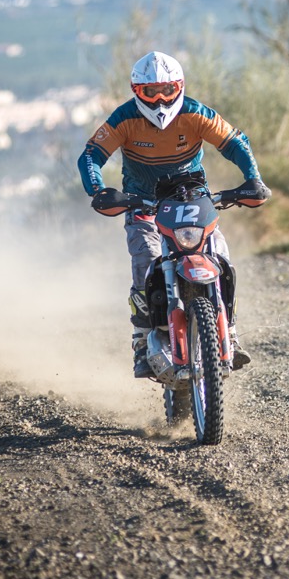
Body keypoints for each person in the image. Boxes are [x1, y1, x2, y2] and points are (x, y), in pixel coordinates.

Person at [78, 50, 270, 378]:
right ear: (137, 91)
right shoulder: (124, 118)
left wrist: (253, 179)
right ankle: (142, 341)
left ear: (180, 87)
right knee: (146, 259)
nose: (160, 100)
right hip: (142, 203)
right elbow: (91, 155)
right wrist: (98, 190)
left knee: (221, 254)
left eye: (168, 90)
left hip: (192, 200)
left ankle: (230, 332)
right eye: (151, 91)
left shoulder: (196, 113)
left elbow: (236, 142)